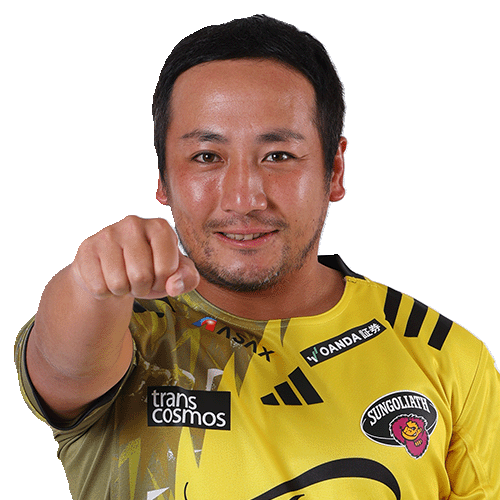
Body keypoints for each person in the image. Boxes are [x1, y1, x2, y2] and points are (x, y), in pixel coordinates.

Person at [14, 14, 500, 500]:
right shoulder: (127, 328)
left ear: (334, 170)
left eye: (278, 156)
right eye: (207, 157)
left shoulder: (447, 357)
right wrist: (92, 283)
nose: (244, 199)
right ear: (163, 177)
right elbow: (65, 364)